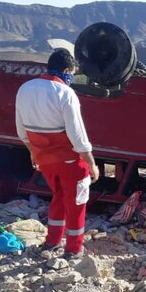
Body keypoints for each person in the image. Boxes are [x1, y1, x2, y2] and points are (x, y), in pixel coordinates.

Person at [15, 49, 99, 259]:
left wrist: (33, 153)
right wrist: (91, 164)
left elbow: (21, 130)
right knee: (77, 202)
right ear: (66, 70)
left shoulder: (25, 88)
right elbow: (77, 135)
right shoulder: (65, 93)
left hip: (44, 159)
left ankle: (52, 241)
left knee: (59, 197)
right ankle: (73, 248)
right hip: (69, 159)